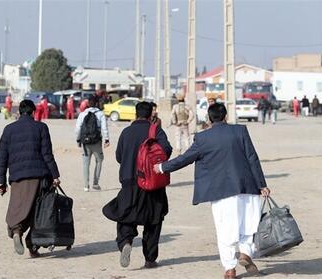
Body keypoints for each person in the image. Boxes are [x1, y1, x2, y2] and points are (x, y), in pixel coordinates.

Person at [154, 103, 270, 279]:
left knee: (225, 229)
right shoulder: (240, 131)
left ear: (209, 118)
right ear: (225, 116)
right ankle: (246, 253)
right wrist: (262, 184)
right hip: (248, 186)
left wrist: (162, 167)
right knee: (247, 225)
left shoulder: (202, 138)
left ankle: (230, 269)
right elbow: (252, 158)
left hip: (221, 191)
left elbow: (185, 159)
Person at [103, 102, 172, 269]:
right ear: (150, 115)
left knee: (125, 215)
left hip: (129, 182)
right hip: (152, 182)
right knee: (154, 220)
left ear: (135, 114)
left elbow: (119, 156)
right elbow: (166, 152)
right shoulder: (156, 131)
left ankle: (126, 241)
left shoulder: (126, 132)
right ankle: (150, 258)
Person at [0, 100, 61, 258]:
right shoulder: (41, 127)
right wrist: (55, 175)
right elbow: (47, 154)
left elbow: (2, 158)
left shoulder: (8, 129)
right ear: (33, 112)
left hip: (17, 177)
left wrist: (2, 182)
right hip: (39, 176)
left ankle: (17, 230)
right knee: (38, 212)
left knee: (19, 207)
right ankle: (33, 247)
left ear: (19, 113)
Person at [75, 96, 110, 191]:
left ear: (88, 104)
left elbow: (78, 128)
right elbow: (104, 128)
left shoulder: (82, 114)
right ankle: (95, 183)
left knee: (86, 163)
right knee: (99, 160)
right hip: (96, 141)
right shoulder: (101, 114)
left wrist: (78, 140)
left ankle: (86, 186)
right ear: (97, 103)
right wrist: (107, 139)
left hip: (85, 143)